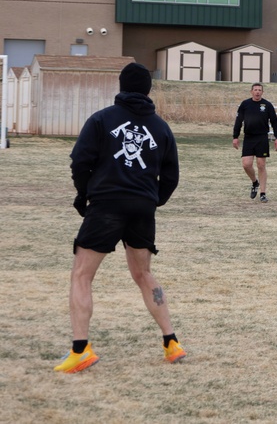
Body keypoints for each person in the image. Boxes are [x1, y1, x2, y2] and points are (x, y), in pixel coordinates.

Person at [55, 62, 185, 373]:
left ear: (121, 86)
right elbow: (171, 175)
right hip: (142, 208)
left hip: (107, 205)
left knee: (82, 275)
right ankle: (171, 342)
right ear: (148, 90)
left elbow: (79, 161)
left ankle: (80, 350)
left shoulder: (101, 119)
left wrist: (82, 193)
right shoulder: (161, 127)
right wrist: (154, 200)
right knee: (144, 275)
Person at [232, 82, 277, 203]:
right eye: (255, 90)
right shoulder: (245, 104)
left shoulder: (267, 105)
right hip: (249, 138)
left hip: (262, 138)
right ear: (251, 92)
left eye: (260, 90)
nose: (257, 92)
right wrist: (235, 136)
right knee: (246, 164)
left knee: (261, 165)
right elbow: (238, 121)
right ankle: (255, 182)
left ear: (262, 92)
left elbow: (274, 122)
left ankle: (263, 193)